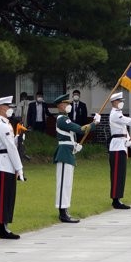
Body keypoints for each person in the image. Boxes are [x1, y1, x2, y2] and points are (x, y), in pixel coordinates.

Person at [53, 93, 99, 223]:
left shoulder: (65, 119)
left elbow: (70, 136)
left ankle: (65, 210)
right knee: (63, 184)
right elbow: (80, 129)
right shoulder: (62, 119)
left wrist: (74, 146)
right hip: (63, 154)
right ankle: (62, 213)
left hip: (68, 152)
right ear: (61, 105)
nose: (69, 106)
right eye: (66, 104)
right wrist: (94, 123)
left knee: (67, 184)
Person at [0, 96, 24, 239]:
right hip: (4, 163)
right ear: (1, 108)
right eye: (8, 106)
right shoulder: (2, 125)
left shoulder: (6, 124)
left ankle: (5, 225)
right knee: (4, 197)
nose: (10, 109)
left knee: (9, 196)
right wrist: (19, 167)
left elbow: (12, 143)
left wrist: (19, 138)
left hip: (8, 164)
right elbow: (10, 148)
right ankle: (2, 228)